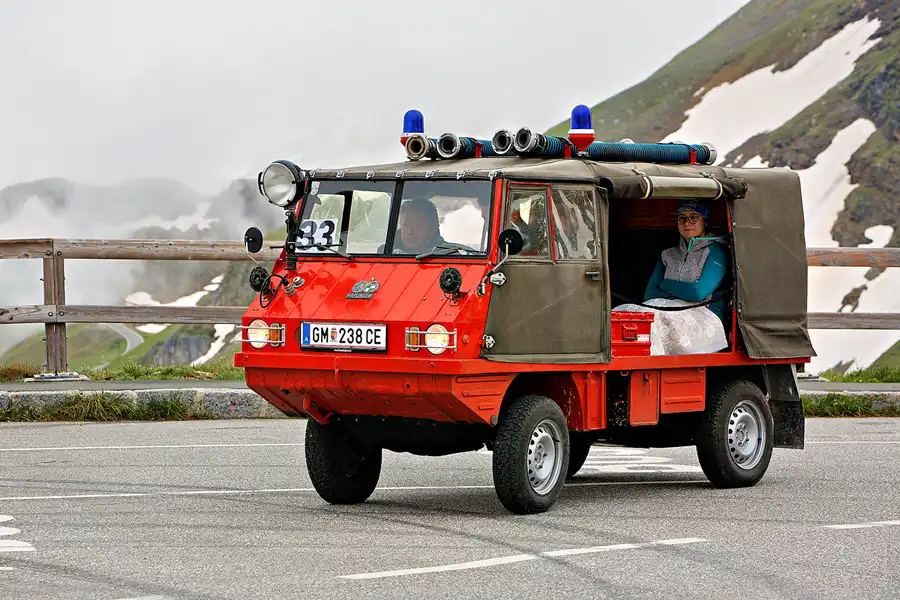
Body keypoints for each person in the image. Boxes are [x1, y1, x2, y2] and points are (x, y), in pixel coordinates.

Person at [614, 199, 730, 355]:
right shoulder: (668, 254)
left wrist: (666, 284)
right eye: (682, 218)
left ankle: (652, 363)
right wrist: (682, 290)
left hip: (704, 314)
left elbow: (698, 293)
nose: (687, 222)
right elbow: (650, 294)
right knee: (624, 313)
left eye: (694, 217)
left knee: (654, 319)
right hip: (668, 308)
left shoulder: (716, 252)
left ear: (705, 221)